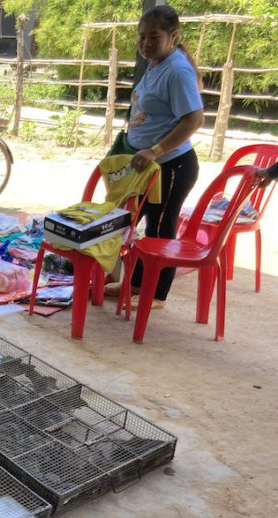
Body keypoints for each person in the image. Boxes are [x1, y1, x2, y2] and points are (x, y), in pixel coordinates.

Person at [106, 5, 204, 308]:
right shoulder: (157, 62)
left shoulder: (177, 70)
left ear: (173, 35)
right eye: (141, 37)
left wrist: (156, 150)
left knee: (161, 229)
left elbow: (194, 119)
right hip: (149, 166)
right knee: (145, 223)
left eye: (154, 37)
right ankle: (136, 285)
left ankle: (156, 295)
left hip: (171, 166)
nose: (146, 44)